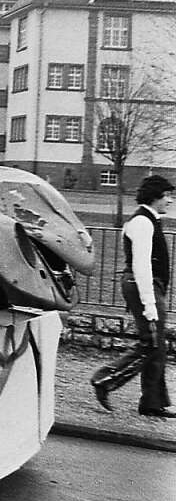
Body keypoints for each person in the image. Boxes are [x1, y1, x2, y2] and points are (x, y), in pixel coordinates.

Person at [91, 175, 174, 418]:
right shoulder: (142, 222)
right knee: (151, 343)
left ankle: (152, 403)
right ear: (155, 197)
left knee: (156, 346)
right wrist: (149, 305)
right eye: (167, 195)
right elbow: (141, 266)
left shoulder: (149, 220)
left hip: (145, 285)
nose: (170, 200)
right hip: (142, 285)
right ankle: (104, 379)